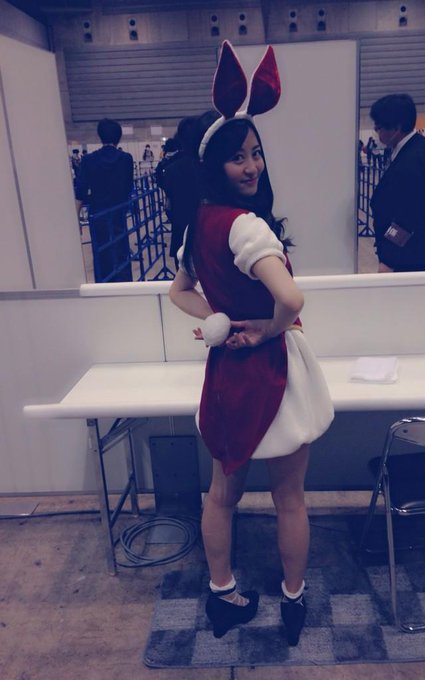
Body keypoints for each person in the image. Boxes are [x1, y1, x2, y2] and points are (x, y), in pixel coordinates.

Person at [169, 41, 333, 646]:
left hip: (227, 376)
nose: (252, 166)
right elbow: (292, 299)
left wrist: (220, 317)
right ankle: (293, 600)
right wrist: (267, 325)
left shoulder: (199, 224)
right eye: (237, 157)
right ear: (215, 165)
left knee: (222, 494)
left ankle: (223, 596)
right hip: (272, 371)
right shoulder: (246, 226)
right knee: (289, 499)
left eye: (256, 153)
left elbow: (178, 292)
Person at [369, 93, 425, 272]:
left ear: (397, 127)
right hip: (405, 251)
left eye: (379, 127)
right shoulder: (412, 148)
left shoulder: (413, 160)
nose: (377, 133)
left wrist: (388, 259)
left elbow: (407, 218)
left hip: (406, 255)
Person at [75, 118, 134, 282]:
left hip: (98, 214)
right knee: (121, 250)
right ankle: (123, 285)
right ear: (119, 137)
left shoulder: (88, 160)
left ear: (100, 136)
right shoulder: (126, 159)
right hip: (118, 213)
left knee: (101, 252)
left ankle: (103, 285)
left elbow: (80, 192)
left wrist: (76, 219)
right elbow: (128, 187)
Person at [155, 117, 199, 267]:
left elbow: (167, 191)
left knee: (181, 265)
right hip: (205, 224)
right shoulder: (207, 164)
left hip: (180, 222)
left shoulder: (171, 168)